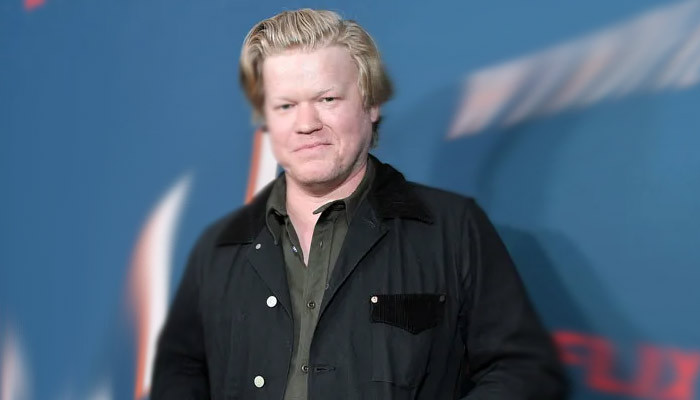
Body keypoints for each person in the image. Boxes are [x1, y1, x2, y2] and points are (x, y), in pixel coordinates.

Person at [152, 8, 568, 400]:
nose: (306, 124)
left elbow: (523, 370)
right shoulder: (220, 246)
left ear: (370, 105)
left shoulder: (453, 229)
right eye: (286, 105)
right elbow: (180, 371)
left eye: (327, 99)